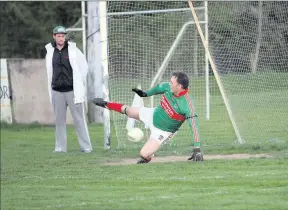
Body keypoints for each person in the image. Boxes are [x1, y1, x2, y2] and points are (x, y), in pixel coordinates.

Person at [92, 71, 203, 163]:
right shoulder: (166, 87)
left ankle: (147, 158)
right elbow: (148, 93)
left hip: (162, 132)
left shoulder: (188, 105)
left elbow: (194, 127)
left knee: (143, 154)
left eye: (172, 82)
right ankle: (106, 104)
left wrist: (197, 149)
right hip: (153, 114)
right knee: (129, 111)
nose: (169, 84)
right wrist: (142, 93)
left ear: (179, 86)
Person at [45, 25, 92, 153]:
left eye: (63, 36)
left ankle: (86, 147)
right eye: (58, 36)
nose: (61, 38)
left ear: (65, 36)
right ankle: (60, 148)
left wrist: (77, 83)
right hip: (56, 91)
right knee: (59, 121)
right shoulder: (50, 51)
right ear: (54, 36)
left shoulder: (73, 50)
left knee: (79, 119)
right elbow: (49, 71)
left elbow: (84, 68)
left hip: (72, 91)